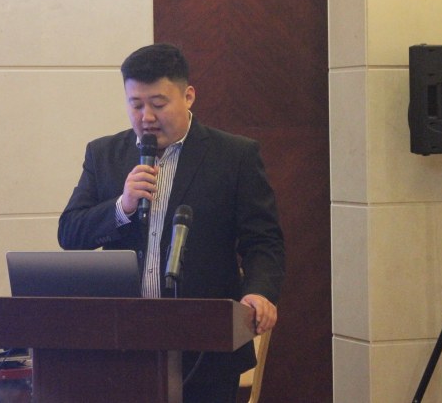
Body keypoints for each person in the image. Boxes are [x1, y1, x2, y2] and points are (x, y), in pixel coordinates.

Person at [58, 43, 285, 403]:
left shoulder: (234, 156)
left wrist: (257, 291)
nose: (146, 116)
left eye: (158, 104)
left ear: (188, 96)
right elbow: (70, 233)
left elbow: (264, 241)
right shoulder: (103, 154)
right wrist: (122, 206)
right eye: (136, 104)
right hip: (123, 347)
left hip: (206, 349)